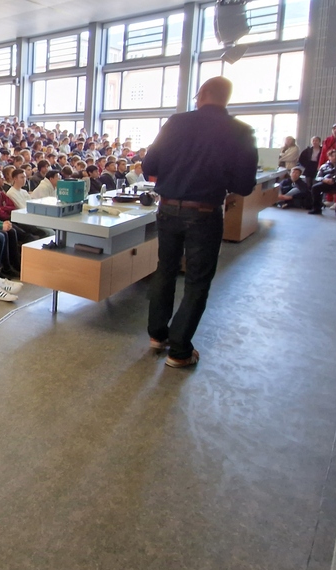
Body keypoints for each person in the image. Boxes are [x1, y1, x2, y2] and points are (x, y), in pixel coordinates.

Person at [144, 76, 258, 368]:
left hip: (167, 209)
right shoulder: (241, 131)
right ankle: (179, 350)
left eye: (197, 95)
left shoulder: (176, 122)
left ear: (205, 93)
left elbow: (149, 166)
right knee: (197, 281)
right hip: (205, 212)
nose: (195, 99)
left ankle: (158, 335)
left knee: (165, 270)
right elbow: (245, 185)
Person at [308, 149, 336, 217]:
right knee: (315, 188)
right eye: (332, 156)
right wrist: (324, 180)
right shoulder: (324, 166)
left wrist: (335, 179)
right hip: (327, 183)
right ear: (329, 157)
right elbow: (318, 177)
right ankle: (317, 209)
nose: (334, 157)